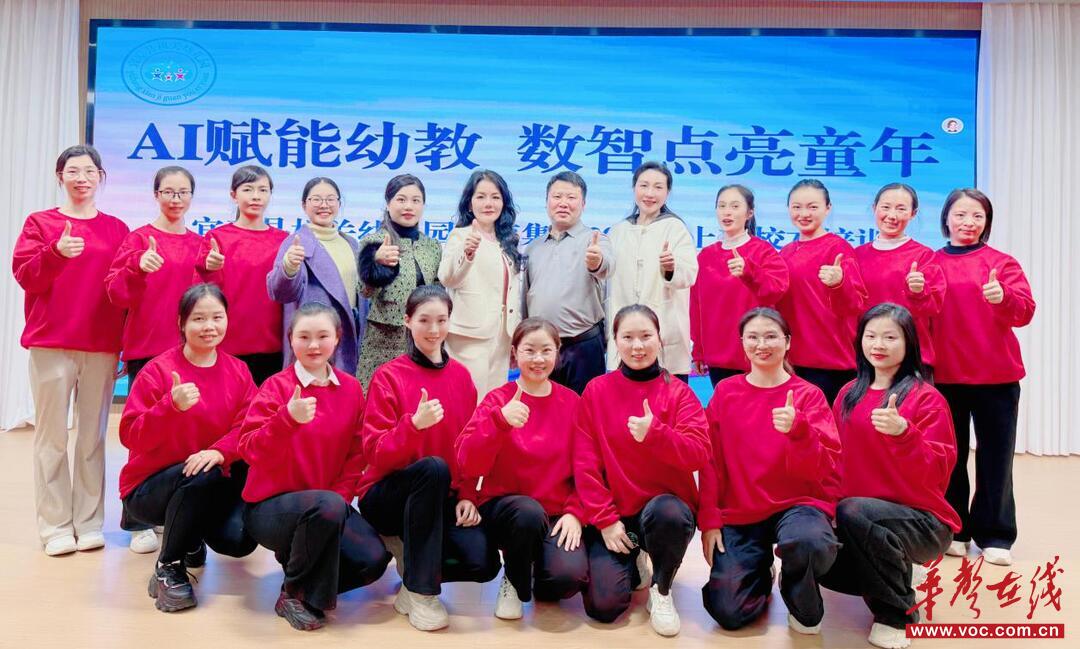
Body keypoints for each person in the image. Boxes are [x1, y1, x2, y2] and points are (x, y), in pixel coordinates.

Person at [238, 303, 391, 631]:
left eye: (322, 336)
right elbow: (248, 449)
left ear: (337, 338)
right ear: (290, 339)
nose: (313, 345)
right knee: (326, 506)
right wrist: (286, 419)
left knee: (374, 560)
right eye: (304, 337)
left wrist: (338, 502)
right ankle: (293, 594)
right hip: (270, 508)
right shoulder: (276, 387)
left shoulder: (351, 389)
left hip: (326, 505)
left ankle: (304, 575)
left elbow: (357, 454)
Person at [356, 286, 498, 632]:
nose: (433, 330)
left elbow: (466, 448)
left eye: (441, 320)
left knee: (483, 561)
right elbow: (374, 452)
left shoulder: (462, 378)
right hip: (386, 495)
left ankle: (412, 566)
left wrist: (467, 495)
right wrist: (413, 426)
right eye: (424, 320)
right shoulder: (389, 376)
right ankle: (422, 593)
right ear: (407, 321)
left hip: (438, 497)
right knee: (433, 468)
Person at [12, 144, 128, 556]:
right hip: (51, 343)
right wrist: (55, 253)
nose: (82, 178)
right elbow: (26, 276)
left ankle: (90, 521)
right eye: (73, 171)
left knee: (92, 438)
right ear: (60, 177)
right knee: (52, 438)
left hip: (100, 345)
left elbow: (123, 290)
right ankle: (56, 526)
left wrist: (123, 344)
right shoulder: (40, 223)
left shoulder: (116, 229)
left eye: (89, 171)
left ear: (100, 177)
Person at [822, 303, 959, 649]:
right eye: (870, 336)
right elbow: (835, 460)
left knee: (855, 510)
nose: (878, 345)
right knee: (813, 551)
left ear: (909, 343)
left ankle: (897, 615)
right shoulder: (848, 394)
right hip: (858, 519)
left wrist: (905, 434)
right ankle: (900, 571)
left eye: (889, 337)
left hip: (920, 520)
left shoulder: (926, 399)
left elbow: (938, 472)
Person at [698, 307, 841, 634]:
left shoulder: (809, 395)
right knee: (728, 612)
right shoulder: (726, 392)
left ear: (787, 342)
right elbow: (709, 461)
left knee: (809, 542)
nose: (762, 345)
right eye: (753, 337)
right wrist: (709, 520)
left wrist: (800, 431)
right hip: (742, 510)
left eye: (771, 336)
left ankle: (797, 588)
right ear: (742, 343)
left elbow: (826, 467)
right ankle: (760, 571)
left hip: (798, 506)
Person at [119, 284, 259, 612]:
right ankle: (168, 567)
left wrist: (221, 451)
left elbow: (249, 427)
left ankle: (190, 536)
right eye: (198, 318)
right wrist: (170, 407)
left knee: (239, 538)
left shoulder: (238, 371)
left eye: (217, 317)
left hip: (209, 481)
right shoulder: (158, 371)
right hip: (150, 488)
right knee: (202, 473)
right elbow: (130, 435)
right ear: (181, 323)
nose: (209, 326)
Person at [574, 304, 711, 636]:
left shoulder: (679, 392)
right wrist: (605, 520)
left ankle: (662, 590)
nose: (638, 346)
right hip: (617, 516)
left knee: (668, 513)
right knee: (604, 607)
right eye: (628, 337)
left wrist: (657, 435)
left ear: (660, 340)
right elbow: (585, 462)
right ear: (615, 341)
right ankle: (635, 559)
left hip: (664, 513)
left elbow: (699, 454)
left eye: (646, 336)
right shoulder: (596, 391)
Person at [455, 318, 588, 620]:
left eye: (546, 350)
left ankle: (533, 563)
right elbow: (468, 460)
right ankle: (513, 580)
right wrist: (499, 422)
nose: (538, 359)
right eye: (529, 350)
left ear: (558, 352)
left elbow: (588, 467)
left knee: (566, 579)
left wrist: (575, 512)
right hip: (508, 510)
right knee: (528, 512)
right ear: (515, 353)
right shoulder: (498, 400)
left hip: (554, 513)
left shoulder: (572, 403)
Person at [932, 189, 1034, 566]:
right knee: (950, 458)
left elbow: (1025, 312)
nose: (968, 223)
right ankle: (955, 530)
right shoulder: (930, 262)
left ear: (987, 222)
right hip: (945, 376)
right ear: (946, 218)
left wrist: (1003, 296)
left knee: (996, 459)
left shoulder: (1001, 263)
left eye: (977, 216)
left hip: (996, 377)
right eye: (960, 215)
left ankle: (996, 534)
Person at [106, 165, 203, 554]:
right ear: (156, 194)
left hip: (189, 352)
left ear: (191, 197)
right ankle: (137, 519)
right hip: (148, 349)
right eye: (168, 192)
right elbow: (116, 293)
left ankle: (165, 510)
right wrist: (136, 267)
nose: (176, 199)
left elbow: (208, 301)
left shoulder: (200, 245)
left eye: (183, 193)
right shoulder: (138, 239)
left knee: (181, 433)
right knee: (144, 432)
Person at [522, 171, 613, 394]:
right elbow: (524, 297)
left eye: (571, 197)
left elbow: (607, 265)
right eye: (557, 197)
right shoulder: (533, 248)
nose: (563, 203)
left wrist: (596, 261)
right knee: (540, 408)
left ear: (583, 204)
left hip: (583, 346)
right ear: (546, 202)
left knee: (584, 410)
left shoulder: (595, 240)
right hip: (540, 349)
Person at [196, 165, 289, 385]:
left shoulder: (283, 240)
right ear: (233, 195)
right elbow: (202, 294)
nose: (256, 196)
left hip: (273, 345)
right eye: (248, 189)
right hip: (226, 344)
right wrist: (209, 268)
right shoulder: (217, 237)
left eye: (263, 190)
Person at [777, 179, 867, 404]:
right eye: (797, 207)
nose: (804, 214)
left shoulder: (838, 248)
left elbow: (856, 304)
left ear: (828, 208)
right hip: (792, 360)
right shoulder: (785, 253)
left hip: (832, 362)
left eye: (812, 207)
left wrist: (839, 283)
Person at [606, 162, 698, 379]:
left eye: (658, 187)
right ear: (634, 188)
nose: (650, 193)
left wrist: (671, 269)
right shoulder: (618, 231)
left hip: (665, 334)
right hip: (625, 337)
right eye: (644, 185)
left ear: (668, 192)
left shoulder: (676, 228)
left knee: (668, 395)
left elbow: (689, 274)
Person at [691, 184, 789, 385]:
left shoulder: (763, 251)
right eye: (722, 206)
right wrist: (698, 351)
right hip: (718, 356)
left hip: (756, 351)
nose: (727, 212)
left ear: (749, 213)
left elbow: (777, 291)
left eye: (735, 206)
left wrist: (750, 272)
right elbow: (696, 306)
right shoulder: (706, 256)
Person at [438, 170, 523, 398]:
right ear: (469, 203)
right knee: (468, 399)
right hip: (469, 335)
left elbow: (513, 291)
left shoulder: (508, 240)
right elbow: (447, 278)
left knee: (493, 401)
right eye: (481, 196)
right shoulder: (460, 235)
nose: (488, 203)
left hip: (503, 335)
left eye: (495, 197)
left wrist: (516, 335)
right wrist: (467, 252)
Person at [267, 177, 363, 374]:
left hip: (350, 337)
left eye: (330, 199)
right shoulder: (296, 242)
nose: (324, 205)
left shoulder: (352, 243)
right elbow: (281, 293)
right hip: (315, 341)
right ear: (304, 205)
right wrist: (289, 266)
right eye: (316, 199)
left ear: (339, 204)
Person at [355, 174, 442, 388]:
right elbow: (363, 291)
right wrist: (375, 263)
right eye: (401, 199)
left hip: (424, 338)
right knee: (379, 394)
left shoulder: (432, 246)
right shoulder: (373, 241)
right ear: (388, 203)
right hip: (383, 338)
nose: (408, 206)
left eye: (415, 200)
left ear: (423, 205)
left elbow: (439, 291)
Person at [853, 184, 945, 371]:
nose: (892, 215)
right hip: (869, 357)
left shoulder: (924, 255)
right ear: (874, 208)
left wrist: (919, 291)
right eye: (886, 207)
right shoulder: (857, 255)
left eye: (901, 209)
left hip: (911, 357)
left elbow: (934, 307)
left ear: (913, 213)